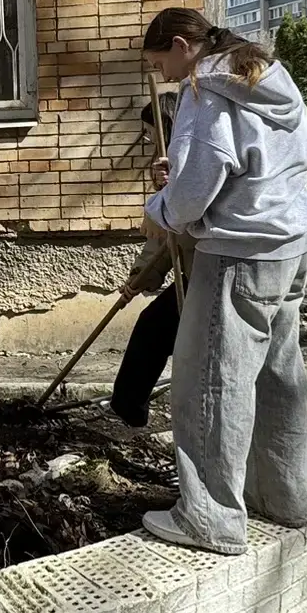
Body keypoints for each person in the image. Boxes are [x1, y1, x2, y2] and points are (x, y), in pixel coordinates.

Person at [138, 9, 307, 555]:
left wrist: (161, 207)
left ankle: (210, 518)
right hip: (291, 242)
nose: (164, 75)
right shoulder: (267, 79)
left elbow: (194, 194)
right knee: (276, 375)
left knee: (212, 382)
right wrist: (183, 177)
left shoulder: (205, 92)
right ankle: (281, 497)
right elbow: (254, 162)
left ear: (181, 45)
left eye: (160, 62)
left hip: (238, 253)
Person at [109, 96, 193, 428]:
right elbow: (162, 240)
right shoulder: (168, 170)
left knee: (157, 330)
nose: (147, 139)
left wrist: (172, 190)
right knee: (153, 327)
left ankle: (130, 407)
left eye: (150, 132)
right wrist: (140, 278)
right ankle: (128, 407)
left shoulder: (193, 162)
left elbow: (178, 228)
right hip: (193, 272)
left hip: (210, 273)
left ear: (167, 127)